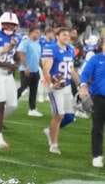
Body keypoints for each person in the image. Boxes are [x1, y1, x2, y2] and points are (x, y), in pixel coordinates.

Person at [42, 27, 82, 155]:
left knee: (69, 117)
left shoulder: (70, 49)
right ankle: (53, 144)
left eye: (68, 35)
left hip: (67, 86)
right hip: (55, 87)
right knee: (58, 115)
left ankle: (50, 130)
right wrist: (51, 84)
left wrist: (80, 84)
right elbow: (46, 69)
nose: (66, 37)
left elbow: (71, 70)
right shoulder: (51, 48)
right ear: (57, 36)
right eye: (64, 35)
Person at [0, 12, 20, 141]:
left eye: (12, 25)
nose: (9, 27)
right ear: (1, 24)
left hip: (8, 75)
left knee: (12, 105)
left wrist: (16, 64)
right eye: (7, 24)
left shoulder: (17, 37)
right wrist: (8, 65)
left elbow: (16, 55)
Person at [78, 37, 105, 168]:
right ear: (102, 45)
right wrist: (83, 87)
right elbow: (85, 75)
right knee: (97, 128)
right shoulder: (95, 59)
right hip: (98, 98)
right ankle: (97, 156)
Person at [17, 27, 44, 117]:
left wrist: (43, 69)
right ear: (31, 33)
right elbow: (21, 55)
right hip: (27, 69)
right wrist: (25, 67)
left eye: (38, 33)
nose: (38, 34)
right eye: (36, 32)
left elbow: (39, 58)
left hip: (35, 70)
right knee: (23, 88)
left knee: (33, 90)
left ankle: (32, 109)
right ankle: (10, 101)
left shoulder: (38, 45)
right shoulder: (25, 43)